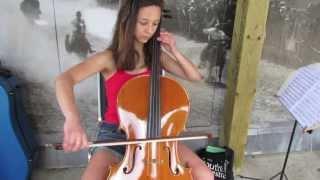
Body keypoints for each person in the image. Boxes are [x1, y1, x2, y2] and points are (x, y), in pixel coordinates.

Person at [55, 0, 214, 179]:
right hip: (116, 136)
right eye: (144, 23)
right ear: (127, 20)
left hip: (158, 134)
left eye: (155, 24)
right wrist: (72, 120)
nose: (150, 30)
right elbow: (64, 80)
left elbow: (195, 76)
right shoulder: (108, 58)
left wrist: (174, 50)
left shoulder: (156, 56)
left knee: (204, 175)